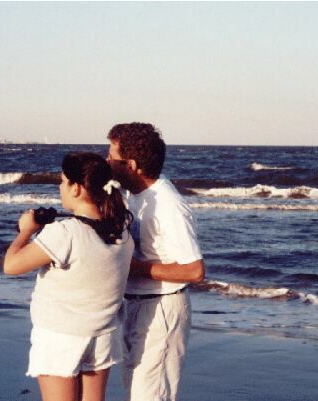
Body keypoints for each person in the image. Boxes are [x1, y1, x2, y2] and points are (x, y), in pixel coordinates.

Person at [3, 152, 134, 401]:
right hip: (102, 334)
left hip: (61, 336)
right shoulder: (122, 231)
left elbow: (11, 265)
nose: (60, 187)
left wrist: (26, 231)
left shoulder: (64, 233)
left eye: (63, 182)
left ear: (76, 188)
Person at [106, 122, 205, 401]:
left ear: (132, 164)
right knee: (138, 390)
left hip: (162, 307)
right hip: (136, 304)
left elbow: (195, 270)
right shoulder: (133, 196)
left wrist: (134, 267)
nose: (107, 161)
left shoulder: (168, 204)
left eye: (112, 156)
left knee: (150, 395)